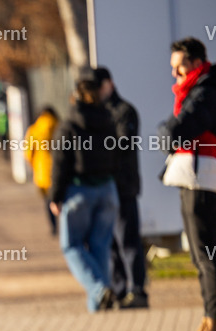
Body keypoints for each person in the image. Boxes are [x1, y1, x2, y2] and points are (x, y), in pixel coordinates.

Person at [158, 37, 216, 331]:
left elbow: (175, 131)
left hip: (203, 181)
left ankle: (213, 326)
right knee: (202, 256)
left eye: (179, 66)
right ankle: (210, 321)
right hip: (196, 179)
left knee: (206, 256)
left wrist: (164, 133)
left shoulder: (205, 91)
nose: (175, 74)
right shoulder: (199, 88)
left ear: (196, 62)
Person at [49, 67, 119, 313]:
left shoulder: (69, 125)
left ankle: (99, 291)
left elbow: (60, 163)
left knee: (72, 246)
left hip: (79, 190)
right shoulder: (109, 120)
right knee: (100, 246)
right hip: (107, 188)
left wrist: (55, 197)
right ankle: (98, 309)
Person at [95, 67, 149, 310]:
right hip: (107, 187)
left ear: (109, 84)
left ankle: (137, 290)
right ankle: (118, 290)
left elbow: (122, 144)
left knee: (128, 241)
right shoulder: (100, 112)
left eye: (98, 87)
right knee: (112, 244)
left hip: (124, 187)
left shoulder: (124, 111)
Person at [24, 106, 59, 235]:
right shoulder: (59, 126)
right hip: (60, 169)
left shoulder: (34, 130)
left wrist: (34, 165)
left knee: (48, 201)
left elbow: (28, 153)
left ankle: (54, 226)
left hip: (42, 170)